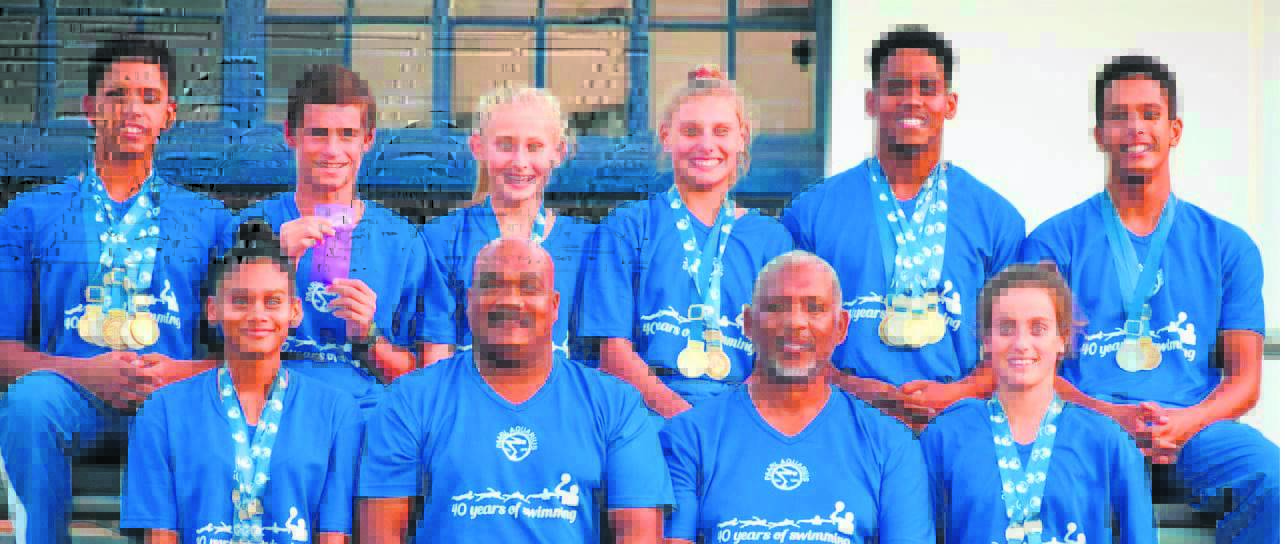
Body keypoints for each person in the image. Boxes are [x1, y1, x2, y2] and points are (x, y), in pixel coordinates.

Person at [1020, 55, 1278, 543]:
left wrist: (1186, 422)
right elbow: (1034, 371)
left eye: (1150, 114)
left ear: (1174, 130)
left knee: (1267, 472)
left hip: (1195, 430)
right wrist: (1112, 417)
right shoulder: (1053, 244)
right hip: (1088, 425)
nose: (1135, 128)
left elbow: (1245, 381)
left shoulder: (1228, 246)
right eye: (1119, 116)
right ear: (1099, 134)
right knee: (1047, 482)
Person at [0, 38, 233, 544]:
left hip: (170, 395)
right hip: (72, 392)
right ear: (90, 108)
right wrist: (86, 372)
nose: (132, 109)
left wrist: (178, 373)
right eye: (116, 95)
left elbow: (246, 349)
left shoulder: (210, 220)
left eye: (149, 97)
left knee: (210, 409)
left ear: (169, 114)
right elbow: (2, 351)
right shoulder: (30, 214)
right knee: (29, 402)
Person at [781, 26, 1025, 427]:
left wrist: (958, 393)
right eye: (896, 87)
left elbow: (1020, 343)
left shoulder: (996, 219)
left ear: (949, 103)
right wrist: (852, 387)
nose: (912, 99)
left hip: (958, 424)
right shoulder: (812, 212)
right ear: (871, 101)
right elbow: (784, 330)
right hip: (841, 421)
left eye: (927, 88)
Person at [357, 239, 673, 543]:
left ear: (554, 306)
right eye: (492, 285)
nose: (510, 300)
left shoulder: (615, 404)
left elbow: (638, 535)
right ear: (469, 302)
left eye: (529, 287)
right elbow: (381, 536)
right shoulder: (410, 400)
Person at [662, 251, 934, 543]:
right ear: (748, 324)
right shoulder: (689, 436)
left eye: (814, 308)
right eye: (776, 307)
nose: (795, 323)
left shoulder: (890, 444)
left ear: (841, 327)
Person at [225, 65, 453, 413]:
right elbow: (217, 359)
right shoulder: (250, 228)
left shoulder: (401, 241)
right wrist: (272, 265)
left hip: (365, 420)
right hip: (269, 414)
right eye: (318, 134)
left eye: (347, 134)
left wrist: (367, 335)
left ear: (368, 140)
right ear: (291, 135)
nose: (332, 150)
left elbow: (424, 382)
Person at [122, 222, 361, 544]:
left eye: (273, 301)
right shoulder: (162, 411)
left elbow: (333, 535)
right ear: (213, 310)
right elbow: (159, 536)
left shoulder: (336, 411)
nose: (257, 314)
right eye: (240, 301)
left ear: (294, 312)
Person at [579, 65, 794, 418]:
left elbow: (778, 357)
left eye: (721, 131)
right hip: (645, 419)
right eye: (691, 131)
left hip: (741, 420)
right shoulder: (626, 228)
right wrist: (685, 420)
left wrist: (727, 425)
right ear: (666, 137)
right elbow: (613, 354)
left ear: (742, 138)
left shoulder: (772, 241)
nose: (706, 145)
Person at [919, 264, 1156, 544]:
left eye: (1038, 328)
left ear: (1062, 339)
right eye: (1006, 328)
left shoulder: (1107, 441)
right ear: (986, 340)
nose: (1021, 343)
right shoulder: (946, 436)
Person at [423, 86, 593, 359]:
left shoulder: (588, 243)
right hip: (470, 387)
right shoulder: (443, 238)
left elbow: (596, 360)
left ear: (559, 152)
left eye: (534, 147)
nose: (520, 162)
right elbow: (436, 359)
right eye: (505, 145)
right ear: (478, 147)